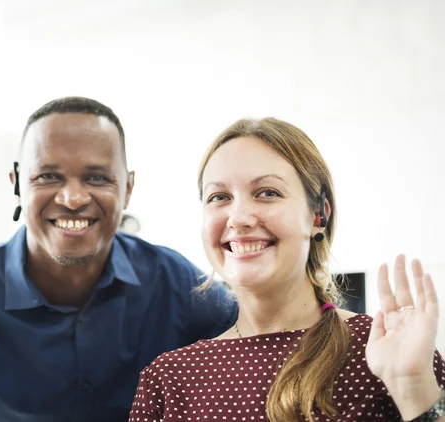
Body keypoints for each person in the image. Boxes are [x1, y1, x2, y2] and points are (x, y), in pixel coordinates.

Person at [0, 97, 237, 422]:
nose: (72, 198)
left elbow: (268, 334)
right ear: (17, 184)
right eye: (48, 176)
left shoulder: (177, 284)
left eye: (97, 178)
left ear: (128, 189)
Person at [129, 117, 445, 421]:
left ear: (318, 214)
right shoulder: (169, 378)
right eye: (219, 196)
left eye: (268, 193)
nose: (238, 218)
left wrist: (413, 384)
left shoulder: (388, 346)